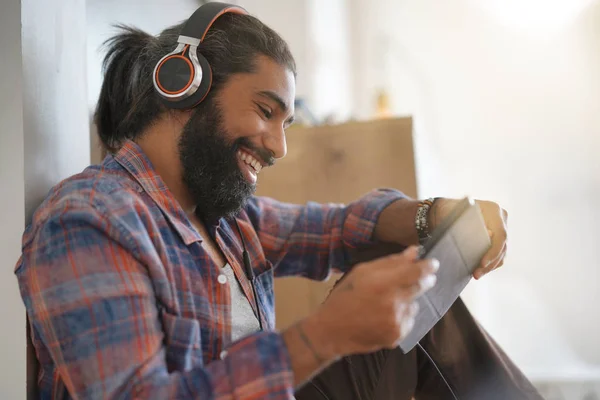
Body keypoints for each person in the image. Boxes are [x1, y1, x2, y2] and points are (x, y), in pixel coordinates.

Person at [15, 3, 537, 399]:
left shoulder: (226, 221)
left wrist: (433, 215)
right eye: (266, 110)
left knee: (402, 272)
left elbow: (341, 227)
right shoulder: (86, 221)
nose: (279, 145)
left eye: (286, 124)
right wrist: (321, 337)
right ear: (183, 84)